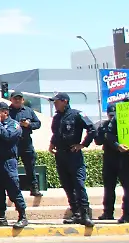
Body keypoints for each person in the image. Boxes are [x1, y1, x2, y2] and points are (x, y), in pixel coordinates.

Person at [48, 92, 96, 227]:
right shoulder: (57, 117)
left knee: (79, 185)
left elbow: (92, 130)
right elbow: (56, 133)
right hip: (60, 155)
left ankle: (85, 214)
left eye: (56, 101)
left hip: (73, 155)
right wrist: (52, 144)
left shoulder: (77, 114)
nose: (55, 104)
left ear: (65, 101)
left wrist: (82, 145)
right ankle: (76, 213)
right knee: (67, 185)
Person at [0, 102, 28, 229]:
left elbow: (8, 137)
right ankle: (1, 217)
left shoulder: (14, 125)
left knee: (13, 189)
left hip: (8, 162)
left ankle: (22, 216)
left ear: (5, 112)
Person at [8, 92, 44, 196]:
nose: (17, 101)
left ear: (23, 100)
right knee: (12, 166)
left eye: (19, 99)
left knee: (30, 166)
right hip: (13, 142)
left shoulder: (28, 111)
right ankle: (12, 189)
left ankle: (34, 188)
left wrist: (29, 125)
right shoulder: (7, 111)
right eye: (15, 99)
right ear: (11, 100)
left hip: (26, 142)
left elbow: (38, 123)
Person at [93, 103, 122, 220]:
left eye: (114, 115)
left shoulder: (122, 125)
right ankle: (108, 212)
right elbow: (98, 141)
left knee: (127, 187)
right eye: (110, 115)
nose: (112, 118)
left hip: (122, 158)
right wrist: (98, 132)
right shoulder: (104, 125)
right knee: (109, 188)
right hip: (109, 158)